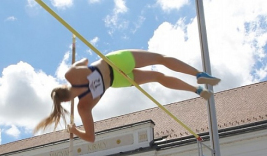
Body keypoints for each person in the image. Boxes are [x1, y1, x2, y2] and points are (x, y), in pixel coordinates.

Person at [34, 49, 221, 142]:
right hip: (114, 62)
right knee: (160, 60)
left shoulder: (84, 106)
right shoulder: (70, 75)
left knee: (157, 77)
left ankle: (196, 91)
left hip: (119, 80)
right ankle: (198, 74)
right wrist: (78, 66)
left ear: (67, 101)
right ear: (63, 86)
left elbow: (91, 137)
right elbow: (85, 60)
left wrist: (75, 131)